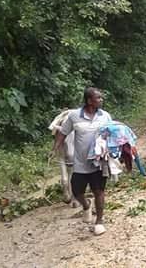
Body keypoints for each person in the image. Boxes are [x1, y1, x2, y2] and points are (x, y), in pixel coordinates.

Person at [53, 87, 112, 235]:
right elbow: (63, 132)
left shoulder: (105, 116)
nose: (101, 100)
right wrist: (55, 147)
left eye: (101, 98)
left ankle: (99, 221)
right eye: (98, 98)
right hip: (80, 164)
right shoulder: (73, 116)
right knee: (77, 191)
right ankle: (86, 205)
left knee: (99, 191)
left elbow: (113, 133)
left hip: (98, 162)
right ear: (89, 101)